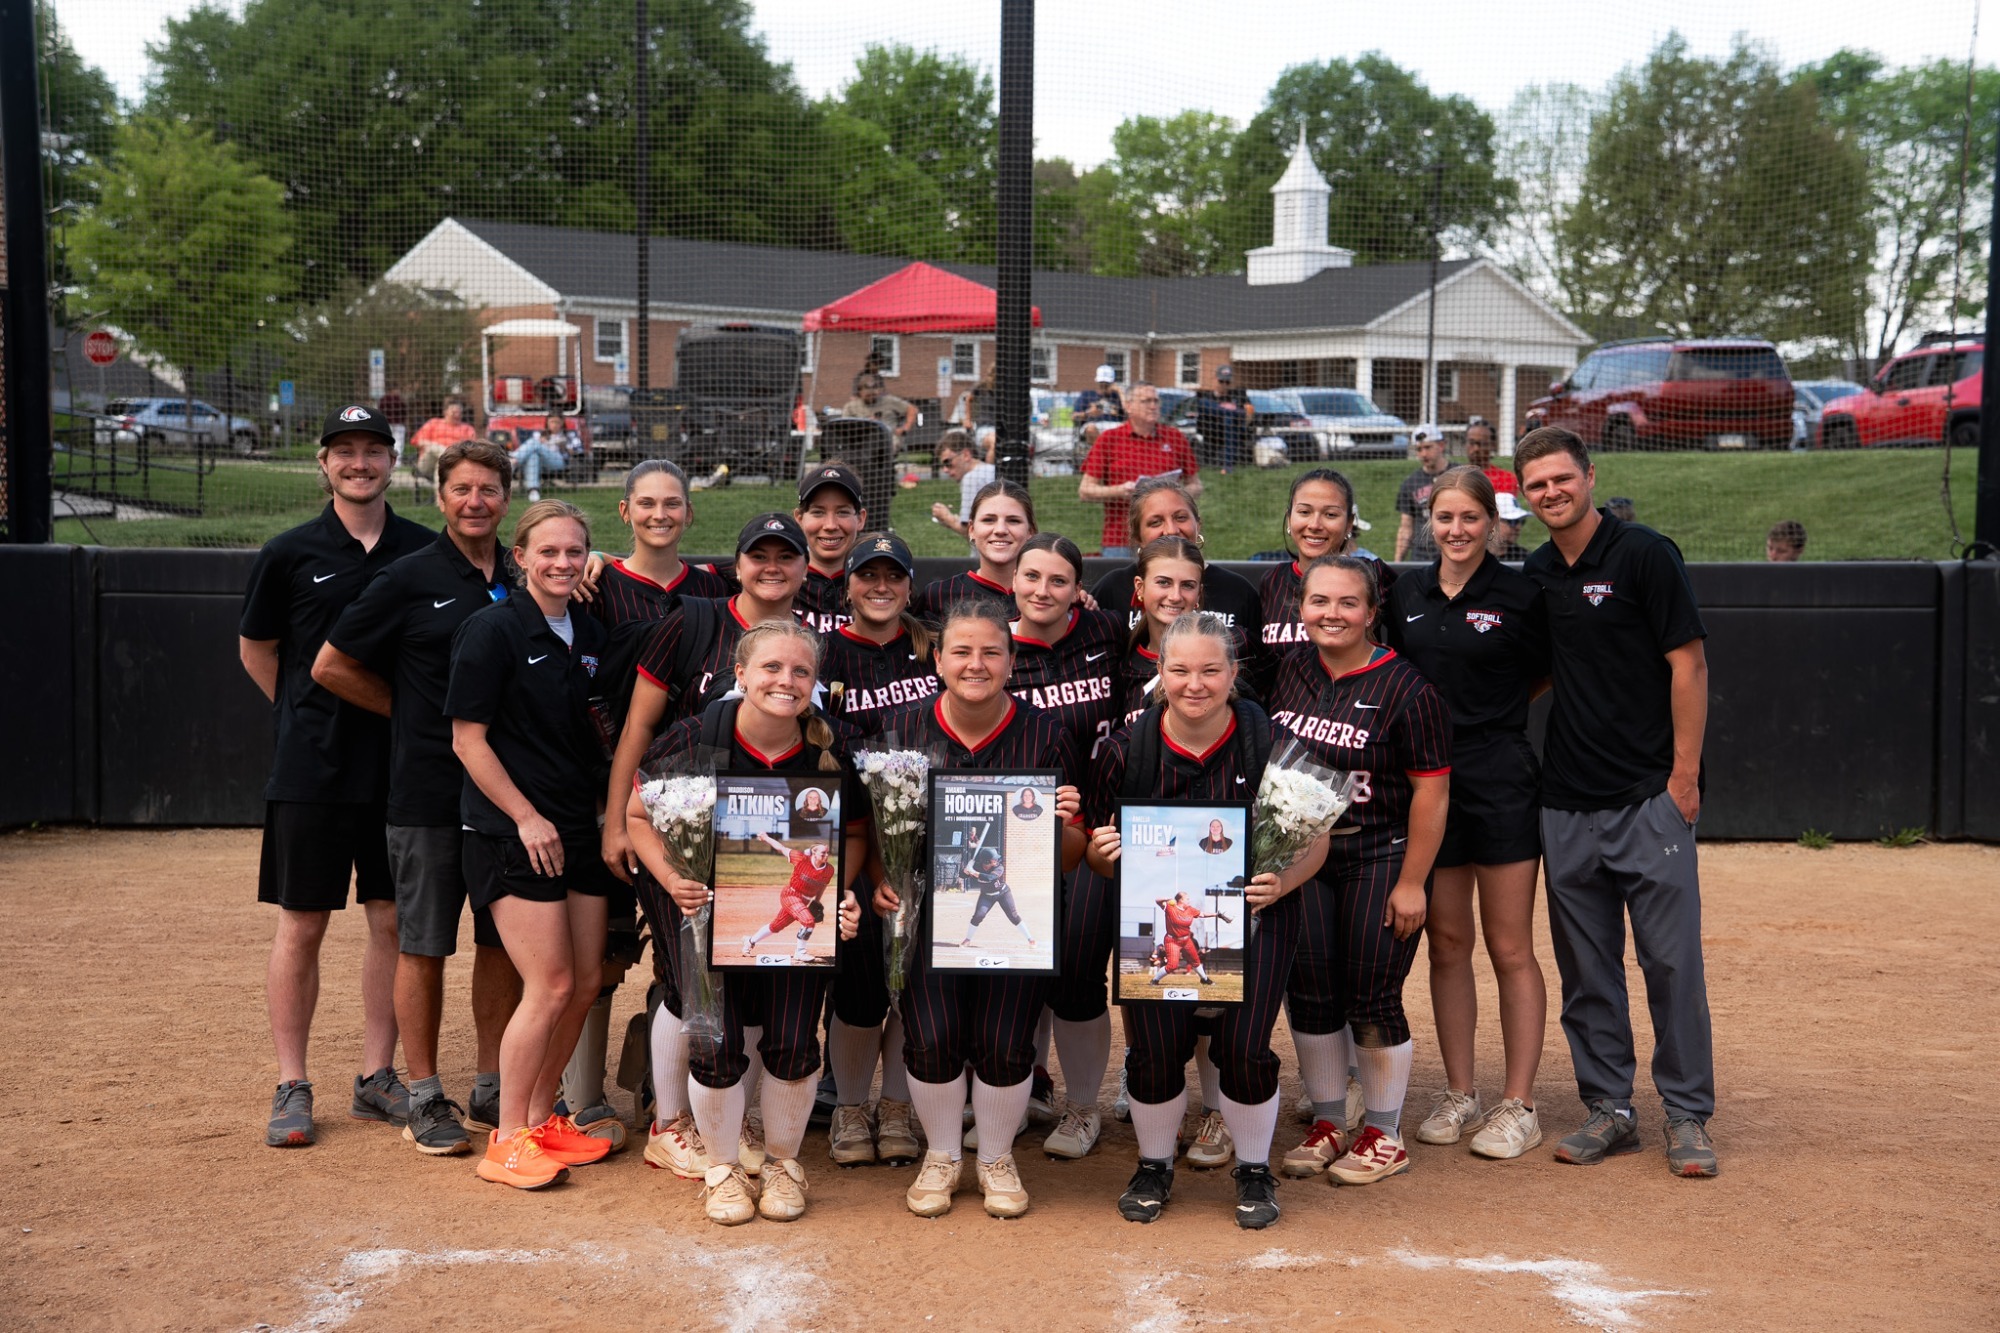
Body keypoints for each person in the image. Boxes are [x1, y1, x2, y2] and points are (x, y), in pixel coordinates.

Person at [1515, 426, 1717, 1177]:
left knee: (1671, 964)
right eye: (1536, 484)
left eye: (1561, 478)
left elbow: (1689, 665)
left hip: (1648, 798)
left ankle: (1689, 1113)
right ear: (1525, 494)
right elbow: (1535, 671)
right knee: (1587, 970)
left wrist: (1684, 777)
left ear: (1590, 475)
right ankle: (1611, 1109)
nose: (1551, 492)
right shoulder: (1536, 571)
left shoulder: (1644, 555)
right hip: (1565, 803)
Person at [314, 438, 524, 1157]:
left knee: (501, 943)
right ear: (440, 497)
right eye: (461, 489)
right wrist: (407, 710)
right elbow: (330, 665)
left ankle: (495, 1081)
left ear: (506, 497)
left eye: (488, 490)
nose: (475, 502)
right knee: (423, 942)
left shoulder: (527, 577)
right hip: (428, 793)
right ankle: (427, 1091)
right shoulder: (407, 577)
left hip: (503, 797)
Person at [1087, 612, 1328, 1229]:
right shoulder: (1125, 748)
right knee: (1155, 1049)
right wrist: (1103, 853)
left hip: (1257, 913)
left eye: (1210, 670)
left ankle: (1252, 1168)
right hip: (1156, 921)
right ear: (1158, 672)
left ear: (1233, 673)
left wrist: (1286, 881)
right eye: (1180, 669)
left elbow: (1315, 837)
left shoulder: (1267, 740)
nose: (1195, 683)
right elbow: (1093, 844)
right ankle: (1153, 1164)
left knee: (1245, 1048)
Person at [238, 403, 435, 1150]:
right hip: (312, 769)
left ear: (393, 461)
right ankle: (292, 1081)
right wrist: (300, 715)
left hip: (399, 767)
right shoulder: (289, 551)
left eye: (373, 450)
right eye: (344, 451)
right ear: (323, 462)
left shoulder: (423, 550)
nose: (360, 463)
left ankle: (376, 1075)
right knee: (304, 923)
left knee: (390, 920)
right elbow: (258, 650)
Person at [627, 621, 868, 1224]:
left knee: (792, 1039)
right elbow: (637, 815)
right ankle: (722, 1167)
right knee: (718, 1045)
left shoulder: (831, 749)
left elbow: (857, 834)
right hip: (706, 920)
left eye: (800, 671)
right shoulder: (690, 739)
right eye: (770, 668)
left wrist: (845, 891)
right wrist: (669, 877)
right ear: (739, 674)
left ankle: (785, 1163)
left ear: (815, 682)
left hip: (792, 921)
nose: (785, 681)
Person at [870, 600, 1087, 1220]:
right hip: (922, 915)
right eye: (961, 651)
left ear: (1013, 661)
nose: (976, 663)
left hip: (1025, 914)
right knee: (932, 1037)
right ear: (937, 659)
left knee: (1005, 1040)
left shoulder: (1048, 733)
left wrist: (1066, 822)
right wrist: (880, 877)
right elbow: (870, 827)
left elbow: (1070, 856)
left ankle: (994, 1154)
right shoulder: (902, 730)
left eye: (992, 651)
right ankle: (941, 1153)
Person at [444, 499, 617, 1190]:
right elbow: (467, 739)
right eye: (547, 551)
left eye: (573, 551)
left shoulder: (590, 631)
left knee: (582, 984)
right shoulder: (490, 629)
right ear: (519, 557)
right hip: (513, 832)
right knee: (546, 986)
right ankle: (507, 1137)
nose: (561, 562)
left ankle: (544, 1118)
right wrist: (523, 815)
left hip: (576, 824)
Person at [1385, 466, 1552, 1161]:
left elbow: (1543, 672)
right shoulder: (1405, 592)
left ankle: (1519, 1103)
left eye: (1470, 518)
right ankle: (1461, 1091)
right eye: (1444, 518)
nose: (1456, 530)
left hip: (1501, 776)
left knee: (1509, 945)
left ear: (1494, 522)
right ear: (1430, 520)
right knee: (1448, 943)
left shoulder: (1521, 592)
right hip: (1427, 781)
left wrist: (1494, 719)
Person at [1271, 556, 1451, 1187]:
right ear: (1302, 607)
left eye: (1348, 603)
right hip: (1302, 854)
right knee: (1311, 989)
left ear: (1372, 613)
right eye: (1319, 601)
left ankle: (1383, 1131)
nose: (1332, 614)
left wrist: (1411, 881)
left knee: (1372, 993)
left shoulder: (1408, 688)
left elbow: (1433, 792)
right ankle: (1328, 1120)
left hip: (1378, 850)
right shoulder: (1291, 671)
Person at [818, 532, 936, 1168]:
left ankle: (896, 1107)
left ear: (911, 586)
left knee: (913, 981)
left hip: (923, 843)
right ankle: (849, 1108)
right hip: (855, 840)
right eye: (869, 575)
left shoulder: (933, 649)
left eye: (894, 575)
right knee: (861, 986)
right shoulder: (827, 653)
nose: (881, 586)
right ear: (849, 583)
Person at [604, 513, 813, 839]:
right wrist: (617, 827)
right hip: (683, 823)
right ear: (738, 568)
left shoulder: (813, 646)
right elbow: (639, 725)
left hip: (779, 823)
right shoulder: (693, 620)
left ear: (805, 569)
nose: (772, 567)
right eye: (759, 557)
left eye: (786, 557)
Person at [1089, 476, 1265, 686]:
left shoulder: (1238, 590)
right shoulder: (1113, 588)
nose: (1171, 529)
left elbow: (1259, 675)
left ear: (1198, 524)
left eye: (1181, 518)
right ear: (1137, 535)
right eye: (1156, 522)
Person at [1258, 468, 1389, 661]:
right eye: (1304, 512)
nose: (1315, 525)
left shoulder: (1374, 574)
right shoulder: (1272, 582)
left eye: (1330, 515)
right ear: (1289, 518)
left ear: (1349, 523)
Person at [1078, 384, 1201, 559]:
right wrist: (1121, 491)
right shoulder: (1109, 439)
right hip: (1119, 540)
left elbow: (1195, 484)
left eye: (1156, 401)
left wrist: (1173, 496)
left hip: (1167, 535)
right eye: (1146, 401)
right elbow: (1085, 490)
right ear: (1128, 406)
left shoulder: (1175, 437)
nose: (1153, 406)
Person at [1115, 536, 1208, 731]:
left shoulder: (1227, 648)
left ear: (1199, 593)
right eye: (1164, 583)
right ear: (1140, 587)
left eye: (1187, 585)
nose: (1175, 596)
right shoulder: (1121, 661)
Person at [913, 480, 1035, 622]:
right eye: (989, 520)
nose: (1001, 530)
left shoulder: (1047, 595)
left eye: (1013, 521)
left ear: (1030, 532)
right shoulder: (939, 595)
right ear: (972, 530)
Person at [794, 462, 867, 633]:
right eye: (818, 512)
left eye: (842, 512)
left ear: (861, 519)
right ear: (799, 518)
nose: (830, 525)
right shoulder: (779, 579)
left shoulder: (876, 586)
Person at [741, 835, 837, 960]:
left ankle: (749, 941)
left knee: (776, 926)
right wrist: (765, 837)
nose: (826, 855)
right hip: (790, 895)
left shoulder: (829, 870)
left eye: (827, 853)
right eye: (823, 852)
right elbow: (781, 848)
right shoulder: (801, 859)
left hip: (804, 900)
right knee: (808, 921)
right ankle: (800, 952)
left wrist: (817, 900)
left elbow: (822, 885)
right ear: (814, 852)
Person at [1393, 424, 1451, 563]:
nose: (1423, 454)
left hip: (1452, 553)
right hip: (1421, 558)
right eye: (1419, 449)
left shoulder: (1460, 474)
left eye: (1428, 447)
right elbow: (1406, 527)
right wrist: (1397, 563)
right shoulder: (1410, 483)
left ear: (1441, 445)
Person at [958, 846, 1033, 948]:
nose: (996, 860)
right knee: (978, 915)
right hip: (986, 896)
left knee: (1013, 916)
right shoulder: (976, 866)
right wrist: (966, 870)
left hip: (1003, 893)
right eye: (994, 859)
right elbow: (962, 876)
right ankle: (967, 940)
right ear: (987, 861)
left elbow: (990, 878)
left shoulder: (999, 867)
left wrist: (974, 872)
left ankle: (1030, 939)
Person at [1189, 364, 1255, 473]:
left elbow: (1249, 414)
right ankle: (1228, 411)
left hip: (1233, 434)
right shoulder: (1206, 396)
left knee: (1228, 417)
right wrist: (1232, 411)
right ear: (1215, 379)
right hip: (1212, 433)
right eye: (1221, 381)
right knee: (1210, 406)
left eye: (1227, 382)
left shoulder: (1238, 395)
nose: (1224, 385)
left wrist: (1239, 414)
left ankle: (1227, 466)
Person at [929, 430, 995, 536]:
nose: (945, 470)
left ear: (965, 455)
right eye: (943, 465)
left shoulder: (971, 478)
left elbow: (970, 532)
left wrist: (946, 517)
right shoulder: (991, 469)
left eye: (948, 462)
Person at [410, 397, 478, 488]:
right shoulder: (433, 423)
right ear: (445, 412)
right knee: (435, 449)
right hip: (428, 464)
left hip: (455, 465)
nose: (457, 415)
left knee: (442, 461)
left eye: (459, 413)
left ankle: (440, 499)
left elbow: (473, 449)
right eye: (454, 412)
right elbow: (417, 441)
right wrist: (441, 449)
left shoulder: (468, 429)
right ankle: (445, 455)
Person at [513, 412, 580, 502]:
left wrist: (566, 447)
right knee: (533, 455)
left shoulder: (569, 435)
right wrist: (542, 442)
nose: (554, 425)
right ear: (547, 423)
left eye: (557, 422)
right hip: (540, 463)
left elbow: (578, 450)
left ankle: (512, 460)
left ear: (562, 423)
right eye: (552, 422)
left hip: (558, 461)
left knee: (534, 443)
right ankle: (533, 490)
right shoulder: (540, 435)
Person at [842, 370, 918, 444]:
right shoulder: (850, 407)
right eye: (868, 395)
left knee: (892, 443)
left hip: (888, 438)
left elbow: (912, 409)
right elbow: (844, 427)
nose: (871, 397)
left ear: (878, 391)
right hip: (861, 440)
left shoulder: (889, 400)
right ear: (860, 393)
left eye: (873, 395)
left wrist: (905, 427)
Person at [1463, 419, 1517, 496]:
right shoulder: (1455, 476)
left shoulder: (1506, 478)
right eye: (1471, 443)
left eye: (1482, 444)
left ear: (1492, 445)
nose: (1476, 449)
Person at [1491, 491, 1533, 561]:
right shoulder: (1473, 556)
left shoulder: (1525, 558)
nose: (1518, 527)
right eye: (1512, 521)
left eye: (1521, 521)